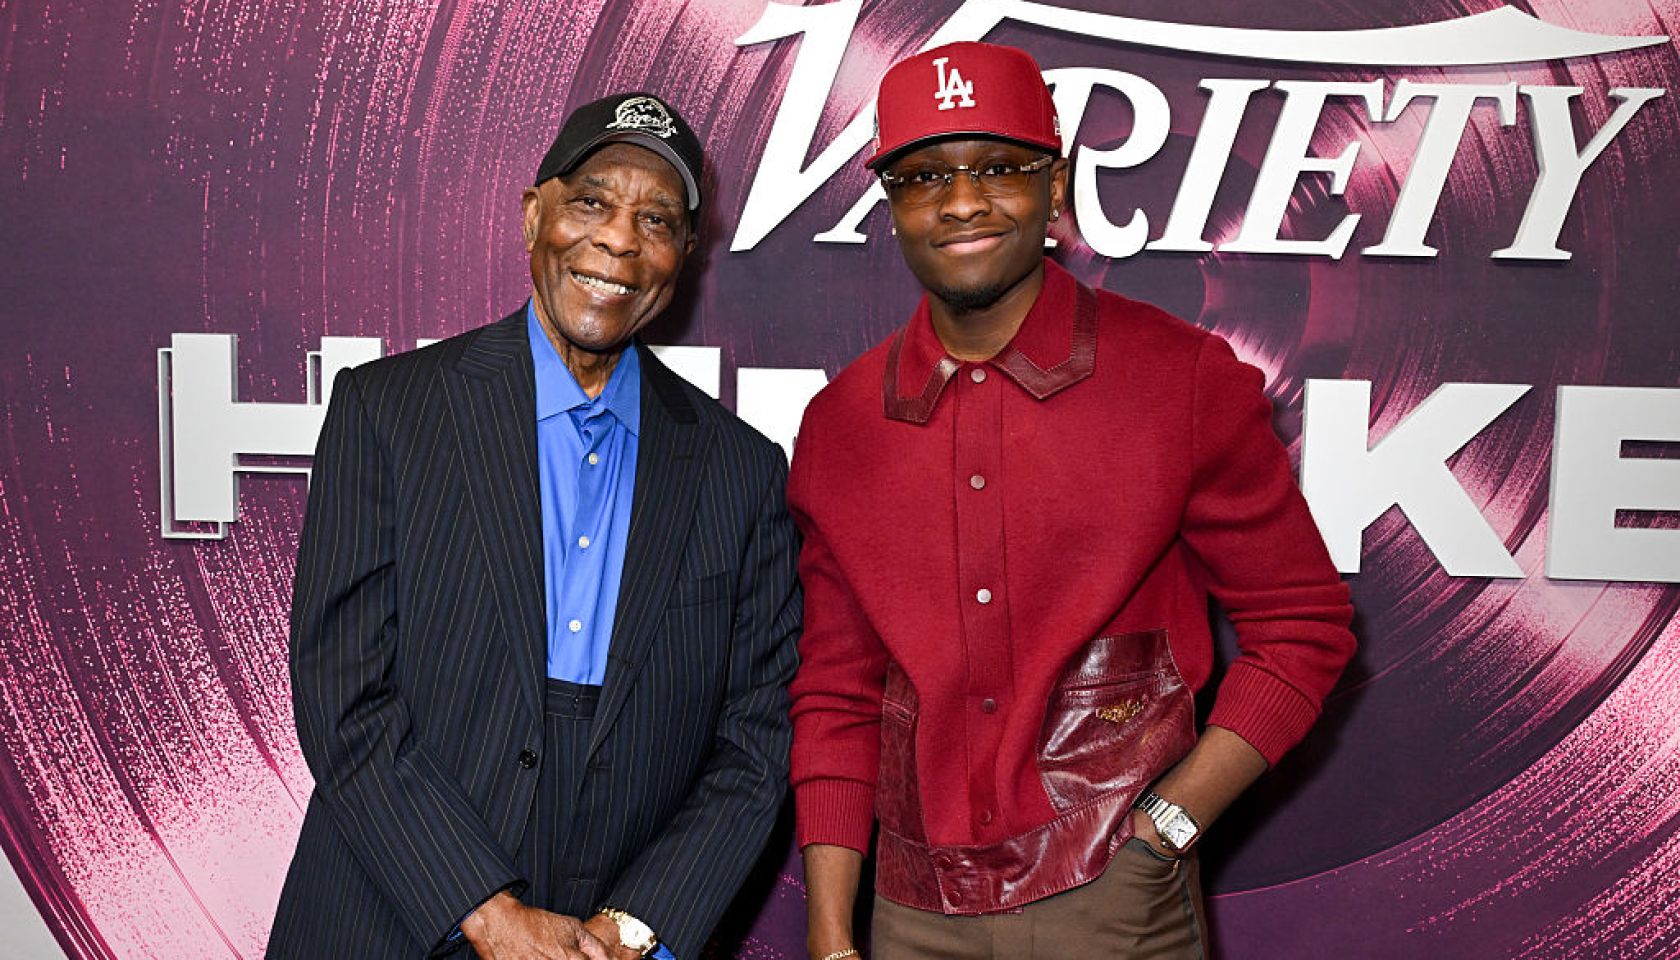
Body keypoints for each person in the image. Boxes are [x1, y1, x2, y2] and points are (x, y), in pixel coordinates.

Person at [788, 42, 1357, 959]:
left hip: (1114, 900)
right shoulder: (839, 426)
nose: (962, 201)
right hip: (906, 916)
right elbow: (837, 694)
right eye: (925, 176)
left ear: (1058, 189)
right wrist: (829, 933)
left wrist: (1167, 830)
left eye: (999, 168)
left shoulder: (1181, 379)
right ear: (891, 206)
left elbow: (1304, 627)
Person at [270, 92, 801, 960]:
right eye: (592, 201)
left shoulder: (741, 471)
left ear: (685, 256)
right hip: (390, 905)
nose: (619, 240)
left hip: (614, 934)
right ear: (534, 216)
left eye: (656, 218)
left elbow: (754, 739)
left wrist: (639, 927)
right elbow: (344, 693)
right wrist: (484, 909)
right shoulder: (392, 412)